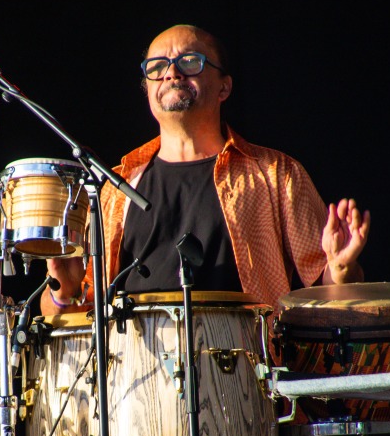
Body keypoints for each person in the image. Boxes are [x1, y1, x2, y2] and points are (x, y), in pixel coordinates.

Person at [40, 23, 370, 321]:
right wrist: (63, 292)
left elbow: (329, 293)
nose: (171, 73)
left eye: (189, 62)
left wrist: (341, 268)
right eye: (156, 67)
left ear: (223, 87)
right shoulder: (116, 187)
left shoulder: (276, 174)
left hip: (244, 371)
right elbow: (73, 313)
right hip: (133, 377)